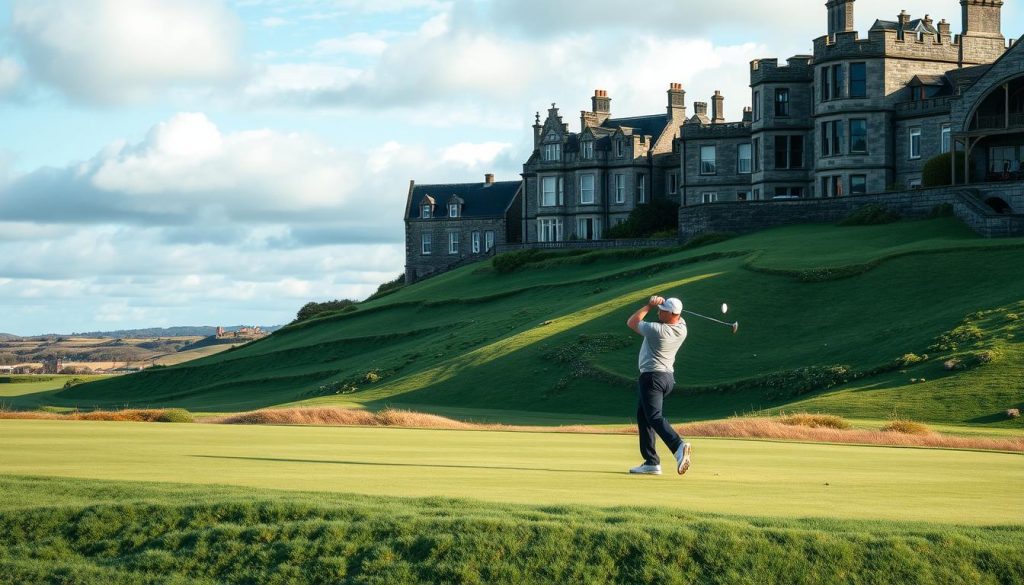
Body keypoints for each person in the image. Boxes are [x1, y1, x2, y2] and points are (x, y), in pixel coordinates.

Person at [625, 295, 691, 476]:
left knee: (653, 417)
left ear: (671, 314)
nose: (658, 313)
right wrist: (663, 305)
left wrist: (649, 304)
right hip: (667, 378)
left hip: (652, 377)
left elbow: (631, 322)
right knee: (643, 416)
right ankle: (651, 462)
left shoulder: (657, 331)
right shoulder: (682, 328)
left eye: (662, 311)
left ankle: (679, 446)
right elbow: (676, 314)